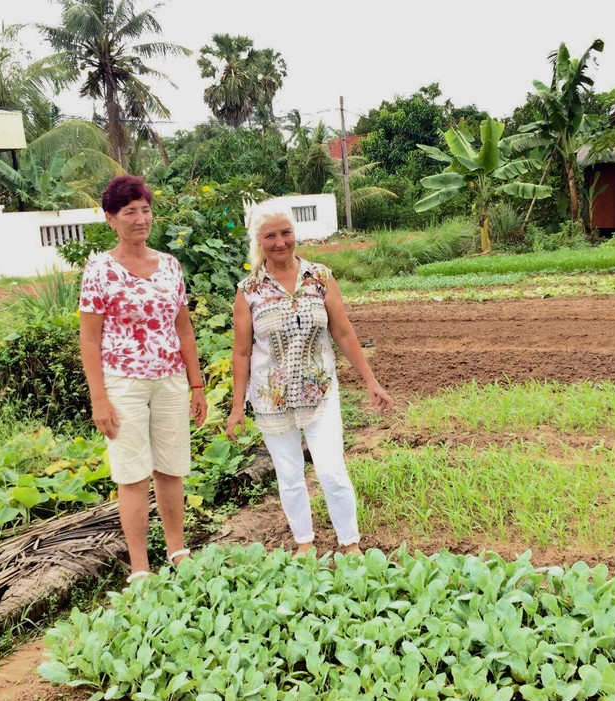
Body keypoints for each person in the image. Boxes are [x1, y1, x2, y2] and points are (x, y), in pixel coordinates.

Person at [227, 206, 393, 555]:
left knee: (331, 471)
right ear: (259, 240)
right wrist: (236, 407)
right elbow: (241, 353)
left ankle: (350, 543)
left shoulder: (320, 277)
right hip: (271, 399)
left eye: (285, 233)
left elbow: (343, 332)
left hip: (320, 393)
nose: (280, 242)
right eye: (271, 235)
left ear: (294, 234)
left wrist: (371, 381)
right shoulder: (249, 290)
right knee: (288, 477)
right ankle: (304, 543)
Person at [79, 175, 208, 582]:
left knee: (171, 469)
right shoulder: (100, 269)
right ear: (111, 219)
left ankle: (178, 551)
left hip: (169, 380)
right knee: (132, 474)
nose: (140, 219)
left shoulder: (169, 265)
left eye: (146, 210)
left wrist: (197, 383)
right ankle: (140, 568)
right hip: (123, 383)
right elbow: (89, 337)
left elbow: (184, 330)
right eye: (129, 212)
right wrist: (99, 398)